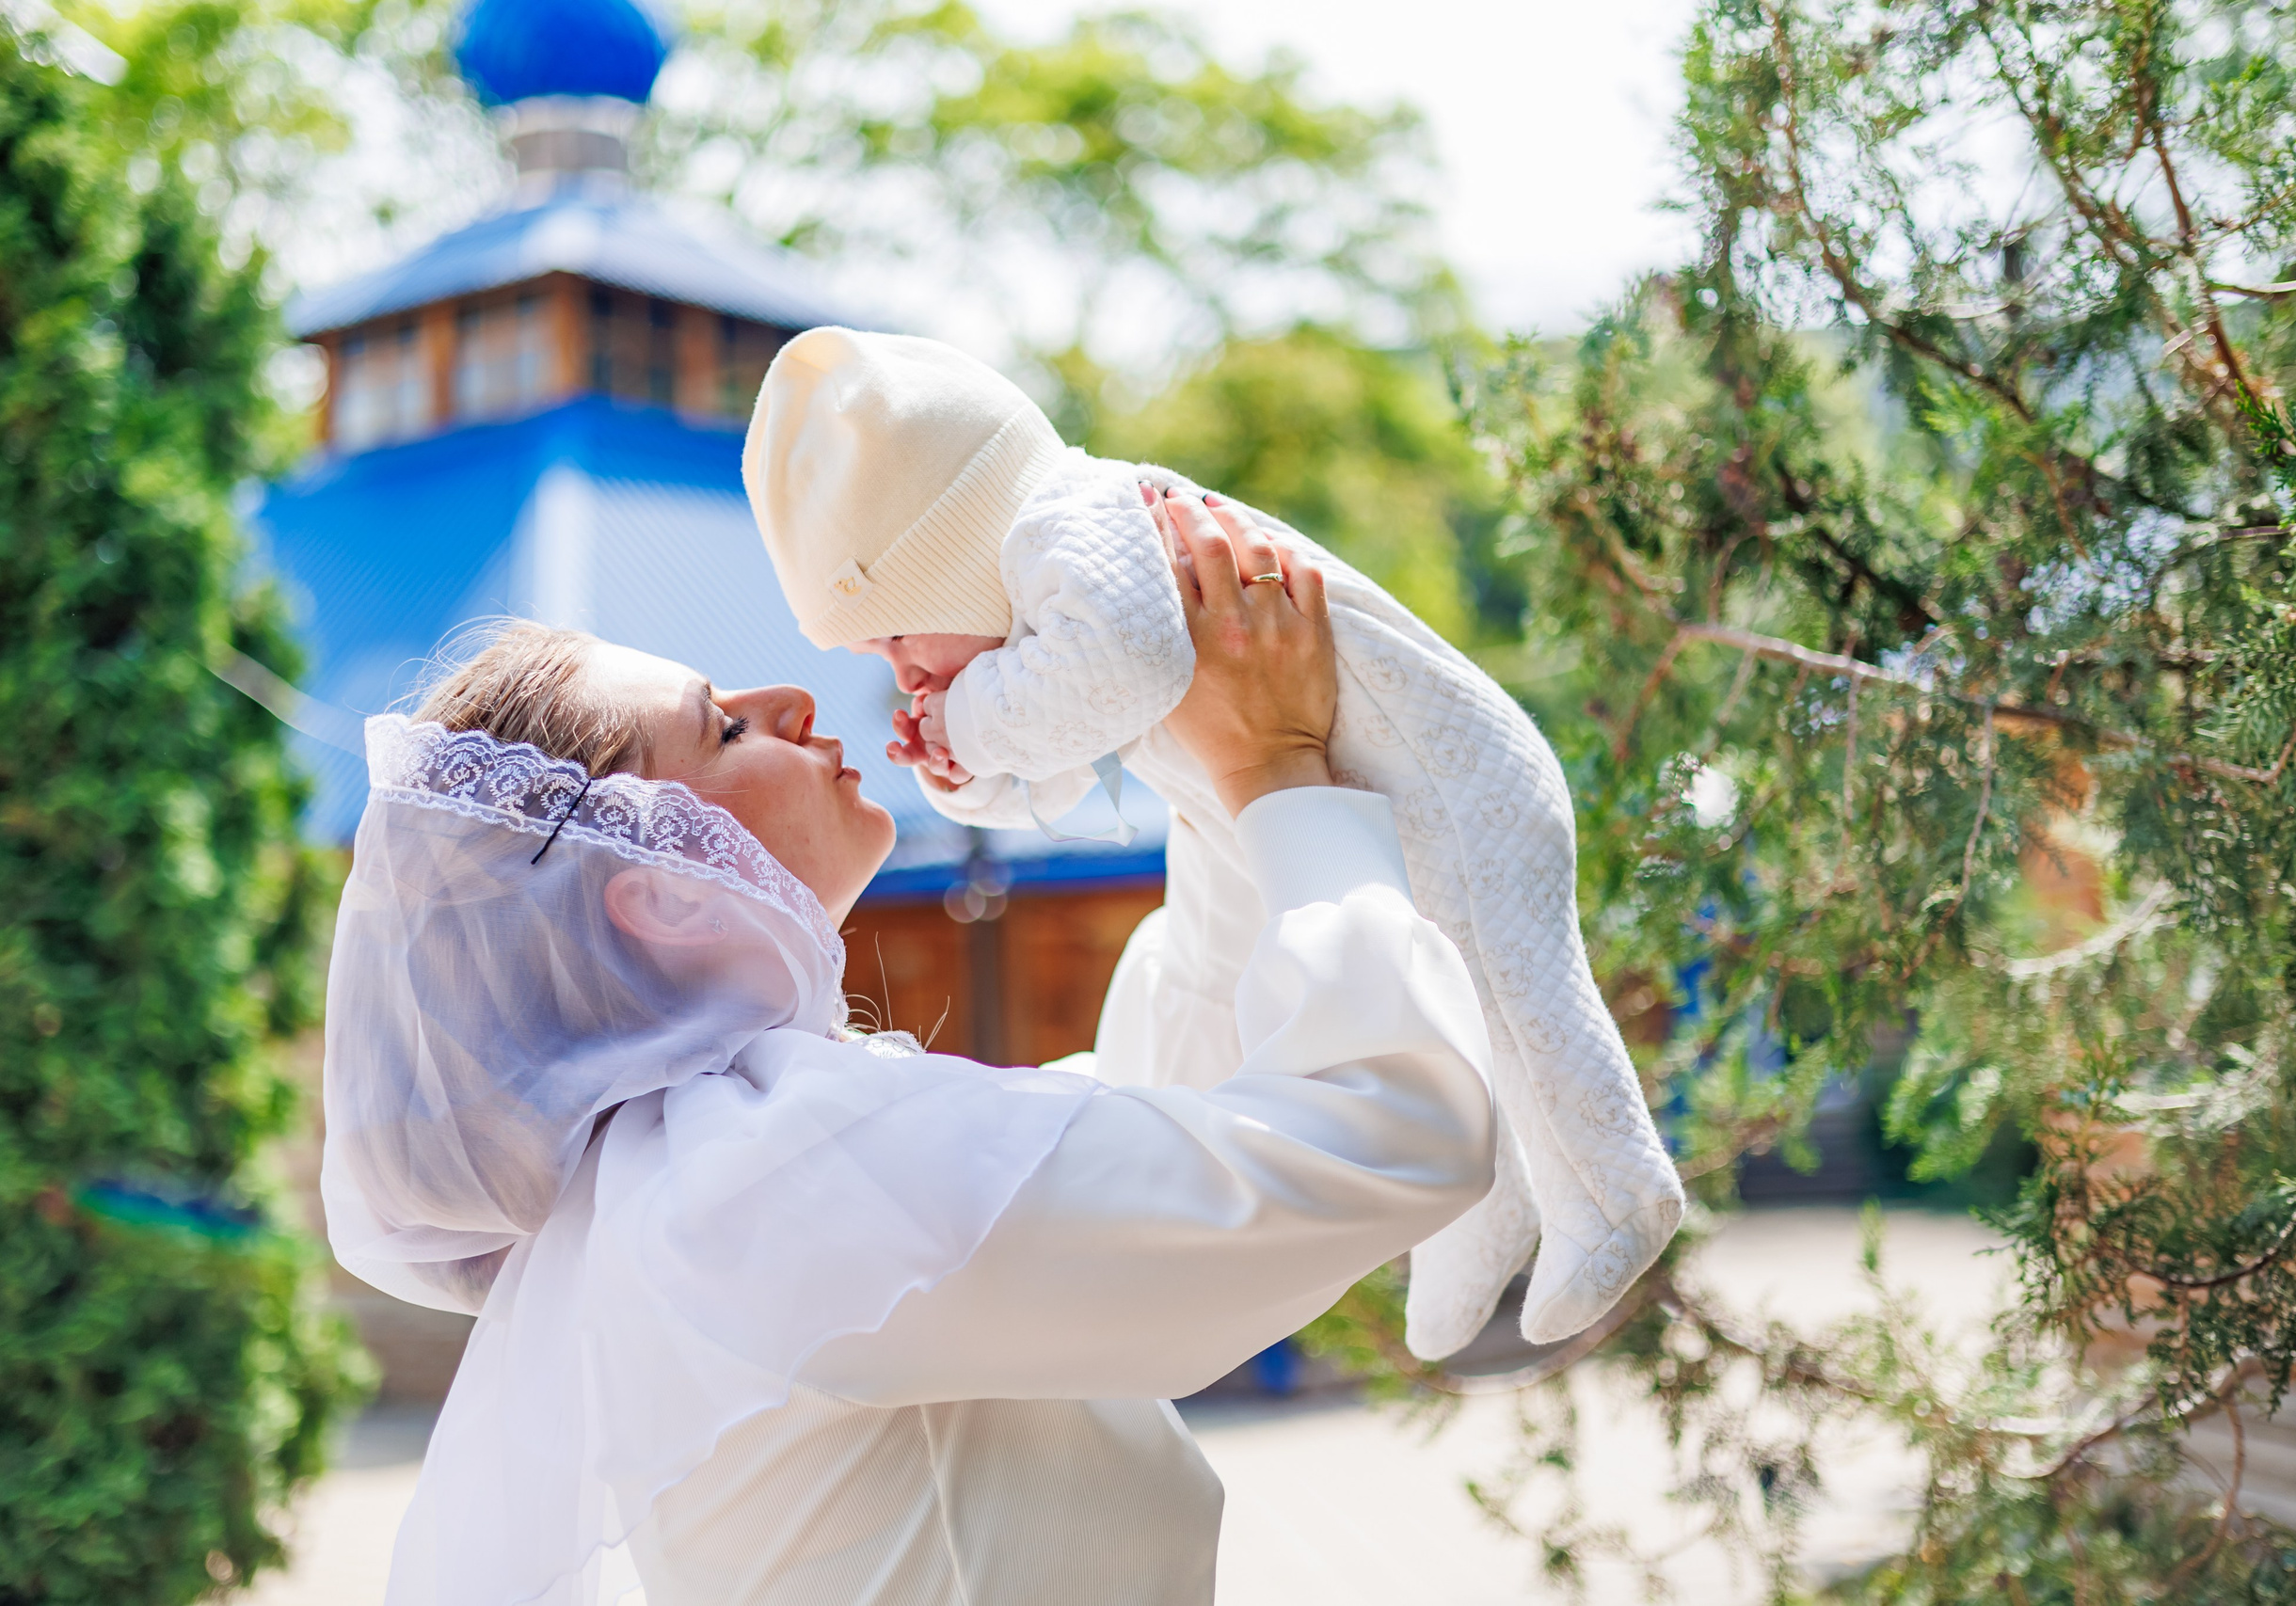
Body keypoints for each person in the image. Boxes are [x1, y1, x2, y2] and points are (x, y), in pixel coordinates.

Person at [320, 503, 1503, 1606]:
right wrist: (1277, 774)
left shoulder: (694, 1167)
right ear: (662, 901)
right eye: (723, 727)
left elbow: (1143, 1111)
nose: (787, 697)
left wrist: (1197, 761)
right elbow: (1388, 1136)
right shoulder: (760, 1175)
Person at [742, 326, 1682, 1357]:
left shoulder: (1073, 518)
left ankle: (1617, 1186)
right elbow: (1062, 761)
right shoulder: (1040, 602)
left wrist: (969, 723)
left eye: (892, 632)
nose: (901, 669)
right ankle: (1478, 1223)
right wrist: (968, 774)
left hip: (1451, 784)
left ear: (948, 552)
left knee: (1515, 998)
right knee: (1438, 1017)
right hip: (1291, 812)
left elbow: (1126, 667)